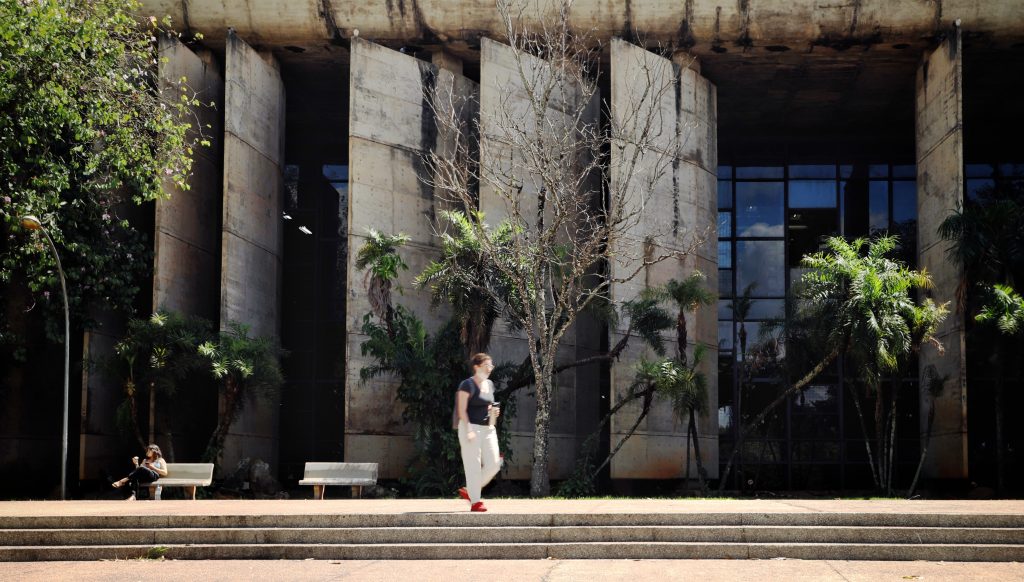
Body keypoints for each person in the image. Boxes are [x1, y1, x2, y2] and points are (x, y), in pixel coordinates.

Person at [455, 353, 502, 512]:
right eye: (486, 366)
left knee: (495, 464)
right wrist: (468, 430)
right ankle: (475, 501)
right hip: (470, 427)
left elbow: (487, 405)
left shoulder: (489, 384)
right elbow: (462, 410)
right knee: (473, 465)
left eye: (491, 366)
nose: (490, 369)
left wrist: (494, 412)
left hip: (488, 428)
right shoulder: (466, 384)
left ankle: (469, 490)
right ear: (477, 367)